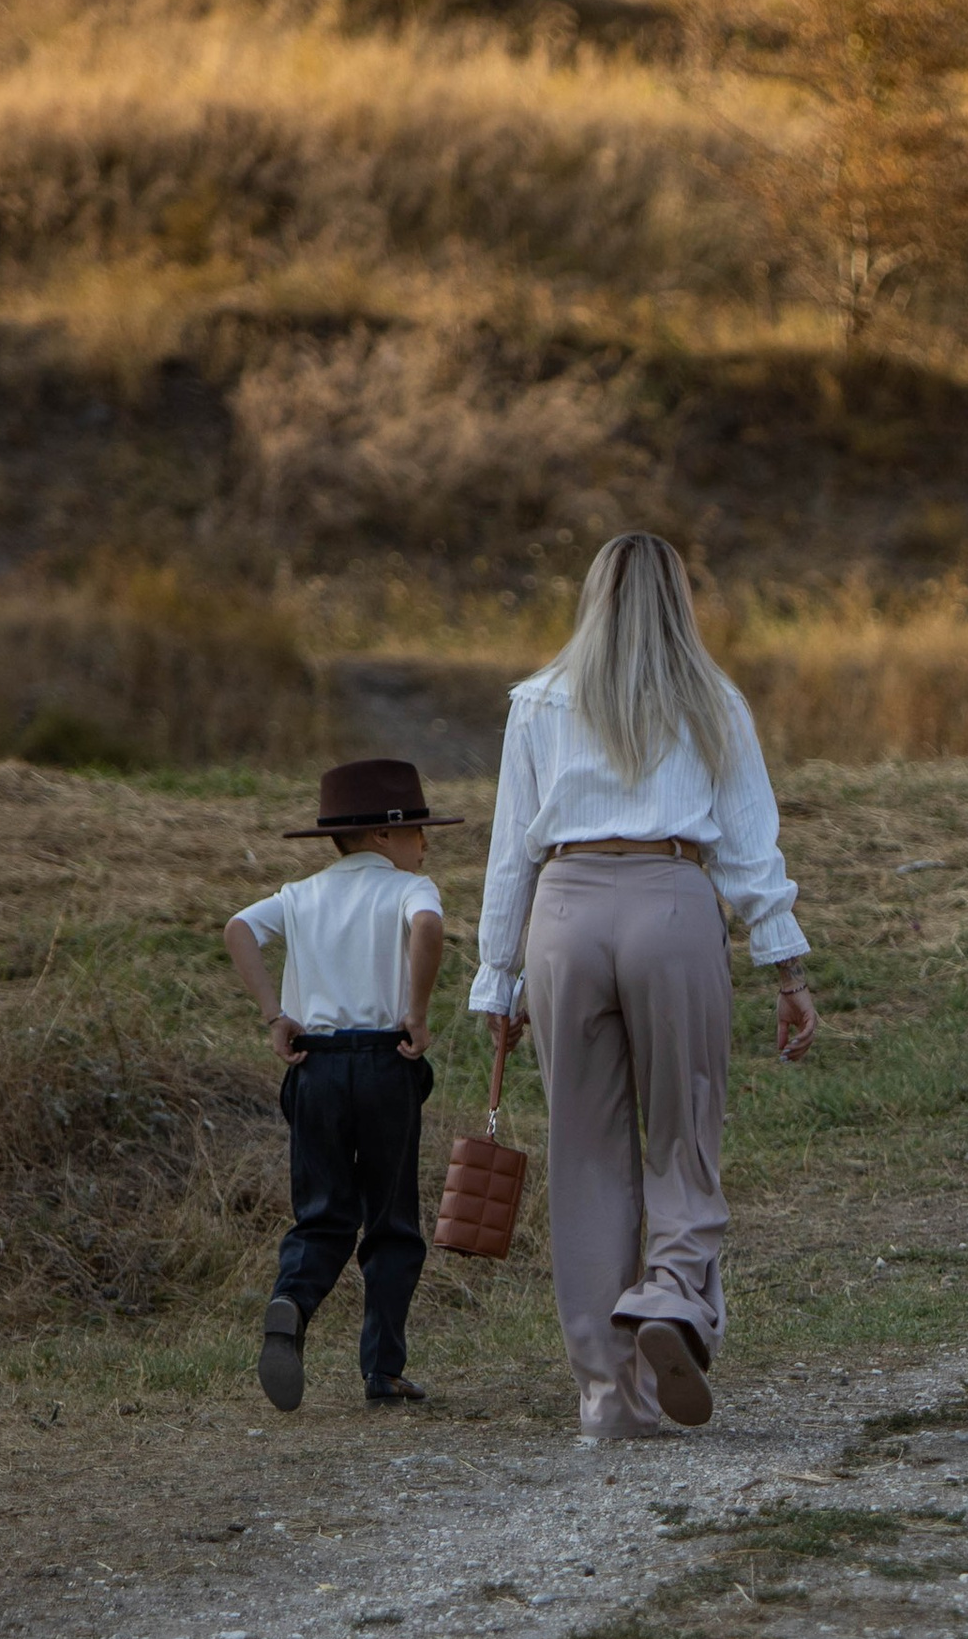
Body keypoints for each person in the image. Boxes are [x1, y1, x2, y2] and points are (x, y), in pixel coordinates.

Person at [470, 533, 817, 1440]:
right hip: (670, 900)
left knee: (584, 1156)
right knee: (683, 1125)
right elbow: (749, 845)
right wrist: (785, 964)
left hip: (563, 911)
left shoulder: (536, 701)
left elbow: (511, 851)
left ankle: (607, 1396)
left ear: (592, 597)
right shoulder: (713, 700)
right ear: (680, 600)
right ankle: (669, 1293)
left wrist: (497, 980)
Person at [227, 756, 453, 1415]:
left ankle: (291, 1303)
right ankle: (383, 1369)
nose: (425, 843)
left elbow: (238, 929)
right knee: (391, 1220)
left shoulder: (301, 895)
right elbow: (429, 927)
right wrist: (417, 1012)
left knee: (322, 1213)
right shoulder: (411, 889)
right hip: (385, 1063)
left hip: (316, 1067)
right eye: (417, 830)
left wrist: (275, 1015)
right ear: (384, 834)